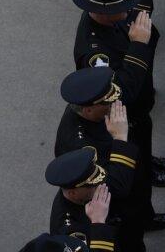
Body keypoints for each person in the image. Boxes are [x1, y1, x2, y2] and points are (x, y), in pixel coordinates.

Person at [72, 0, 165, 239]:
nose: (129, 9)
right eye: (123, 6)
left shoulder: (109, 18)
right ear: (105, 12)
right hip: (120, 120)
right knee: (133, 178)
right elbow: (122, 92)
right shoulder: (96, 54)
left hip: (136, 115)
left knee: (142, 156)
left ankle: (147, 186)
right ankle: (142, 218)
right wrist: (138, 46)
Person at [54, 68, 141, 250]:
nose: (100, 184)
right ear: (73, 193)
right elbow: (117, 185)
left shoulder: (79, 179)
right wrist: (99, 224)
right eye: (93, 184)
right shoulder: (71, 231)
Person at [45, 148, 123, 245]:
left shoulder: (75, 190)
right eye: (92, 186)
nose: (99, 186)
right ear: (73, 193)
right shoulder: (69, 231)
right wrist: (98, 223)